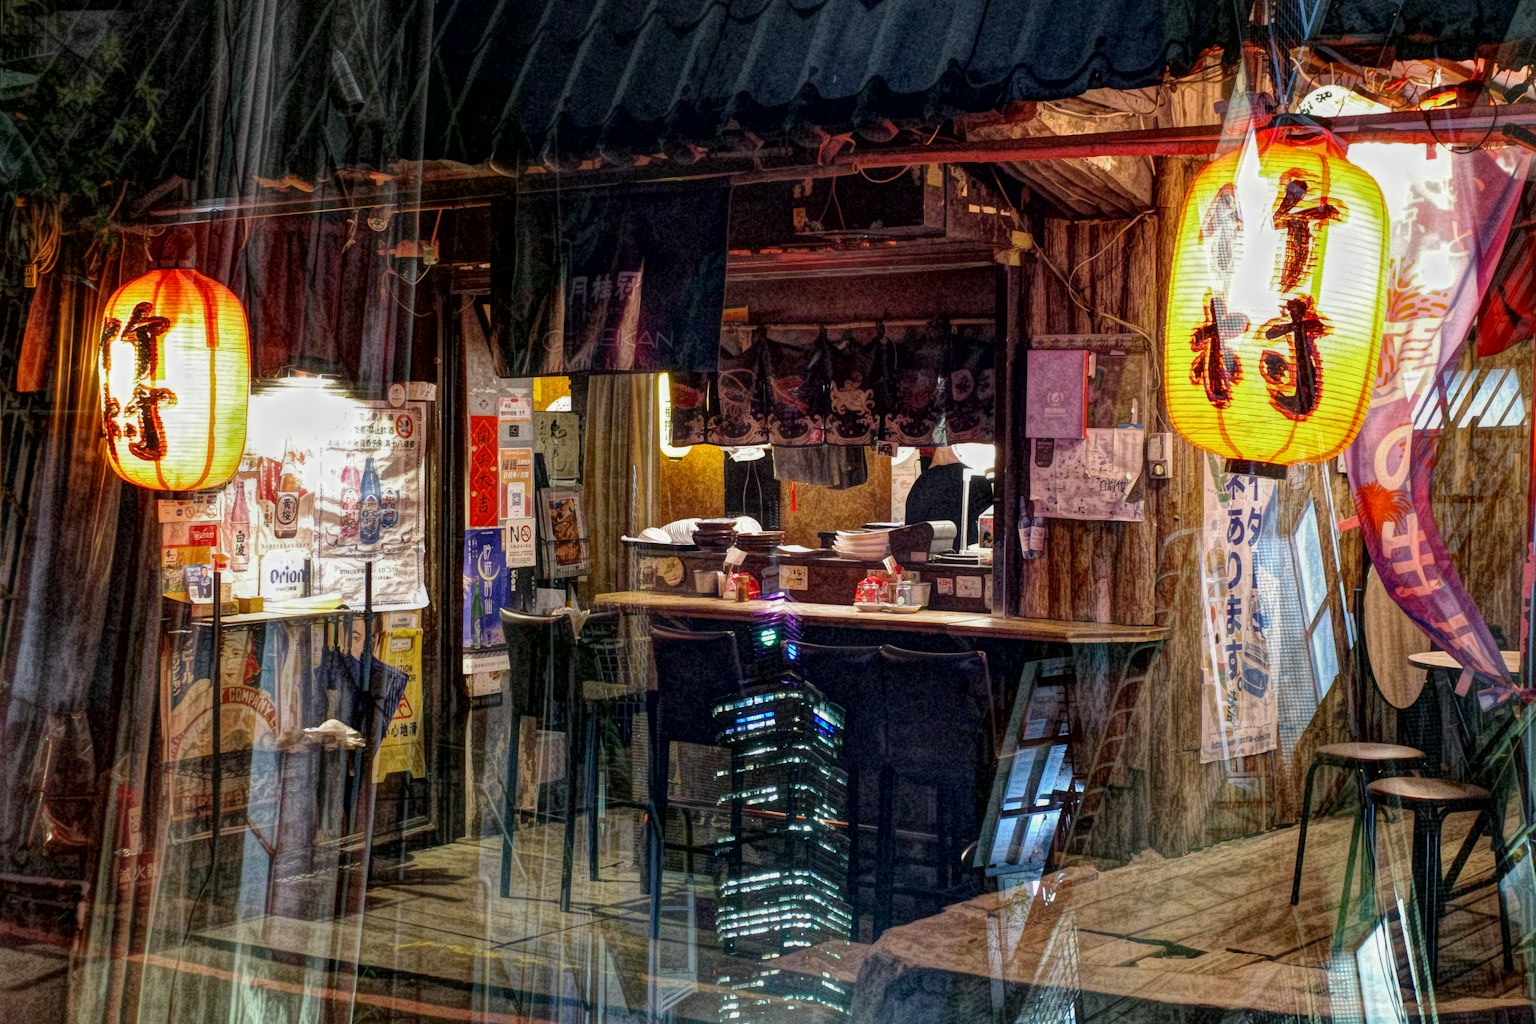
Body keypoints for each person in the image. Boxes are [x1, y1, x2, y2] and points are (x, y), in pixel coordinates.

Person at [902, 446, 993, 550]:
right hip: (969, 554)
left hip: (930, 554)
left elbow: (912, 524)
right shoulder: (977, 478)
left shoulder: (924, 481)